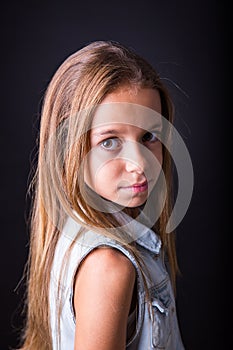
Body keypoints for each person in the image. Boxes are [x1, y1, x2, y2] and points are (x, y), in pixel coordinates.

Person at [19, 40, 186, 349]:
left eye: (149, 136)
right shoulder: (109, 266)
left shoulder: (85, 234)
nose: (140, 164)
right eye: (110, 141)